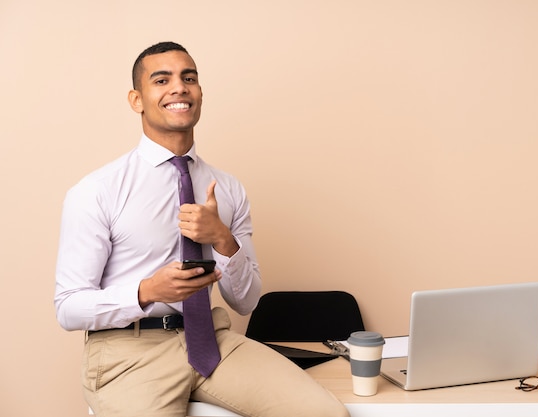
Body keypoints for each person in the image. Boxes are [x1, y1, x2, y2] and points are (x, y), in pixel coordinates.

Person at [54, 41, 349, 417]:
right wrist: (146, 291)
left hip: (213, 339)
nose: (179, 87)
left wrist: (223, 239)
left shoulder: (227, 188)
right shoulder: (97, 190)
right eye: (162, 80)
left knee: (326, 414)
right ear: (137, 99)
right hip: (130, 350)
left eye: (188, 78)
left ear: (199, 94)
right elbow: (68, 307)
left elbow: (245, 301)